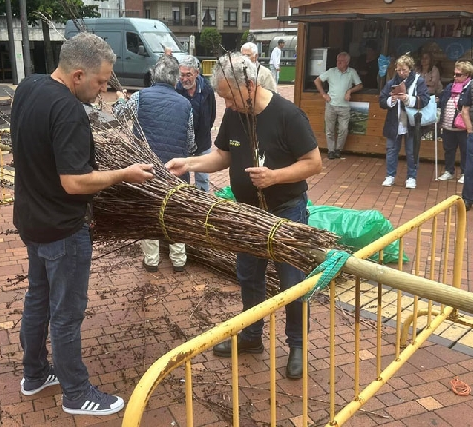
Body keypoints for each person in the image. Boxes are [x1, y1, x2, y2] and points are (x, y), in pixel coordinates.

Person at [10, 32, 153, 416]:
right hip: (62, 227)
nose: (104, 89)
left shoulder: (29, 87)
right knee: (67, 312)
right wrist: (123, 174)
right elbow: (74, 182)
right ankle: (76, 393)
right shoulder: (69, 110)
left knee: (38, 298)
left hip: (30, 219)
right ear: (77, 75)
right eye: (101, 81)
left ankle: (35, 373)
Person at [166, 53, 323, 380]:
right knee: (249, 276)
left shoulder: (288, 115)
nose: (227, 103)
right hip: (247, 214)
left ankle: (296, 345)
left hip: (286, 211)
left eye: (229, 96)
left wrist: (275, 177)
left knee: (291, 282)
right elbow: (223, 155)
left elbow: (313, 163)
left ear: (250, 85)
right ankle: (251, 336)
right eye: (222, 97)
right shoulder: (235, 115)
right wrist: (189, 163)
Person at [114, 55, 194, 273]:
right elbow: (191, 141)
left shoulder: (140, 97)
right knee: (176, 211)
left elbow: (118, 116)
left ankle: (151, 260)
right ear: (175, 80)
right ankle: (179, 260)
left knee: (149, 209)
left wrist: (121, 98)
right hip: (176, 169)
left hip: (146, 169)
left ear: (153, 75)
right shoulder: (185, 103)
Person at [379, 54, 430, 189]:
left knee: (412, 151)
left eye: (404, 70)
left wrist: (408, 99)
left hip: (411, 123)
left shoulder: (418, 81)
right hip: (394, 122)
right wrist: (391, 101)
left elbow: (425, 99)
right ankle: (390, 176)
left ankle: (411, 178)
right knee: (391, 150)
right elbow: (382, 100)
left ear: (410, 69)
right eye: (399, 70)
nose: (401, 73)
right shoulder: (391, 82)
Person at [176, 55, 217, 192]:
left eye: (189, 75)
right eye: (182, 75)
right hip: (182, 142)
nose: (185, 79)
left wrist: (204, 130)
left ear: (197, 73)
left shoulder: (207, 89)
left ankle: (202, 201)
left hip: (202, 142)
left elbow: (212, 115)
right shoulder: (176, 89)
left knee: (202, 178)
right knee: (181, 176)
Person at [314, 52, 363, 159]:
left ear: (347, 62)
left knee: (344, 129)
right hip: (331, 105)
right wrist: (323, 94)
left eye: (341, 61)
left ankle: (338, 149)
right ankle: (331, 150)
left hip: (344, 106)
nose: (338, 63)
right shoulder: (331, 71)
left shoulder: (352, 72)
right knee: (329, 129)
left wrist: (350, 91)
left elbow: (360, 85)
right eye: (337, 61)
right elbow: (317, 81)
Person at [437, 61, 472, 183]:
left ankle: (464, 172)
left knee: (465, 150)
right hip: (448, 125)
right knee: (449, 149)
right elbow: (442, 100)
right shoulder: (449, 87)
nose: (455, 77)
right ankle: (449, 171)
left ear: (467, 75)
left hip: (463, 126)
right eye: (454, 74)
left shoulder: (470, 88)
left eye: (458, 74)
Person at [460, 67, 473, 211]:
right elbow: (465, 109)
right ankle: (468, 198)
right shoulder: (471, 86)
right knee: (470, 167)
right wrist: (470, 129)